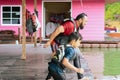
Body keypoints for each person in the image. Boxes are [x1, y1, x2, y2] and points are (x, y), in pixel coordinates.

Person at [44, 13, 88, 80]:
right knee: (57, 60)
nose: (86, 23)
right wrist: (49, 41)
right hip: (56, 43)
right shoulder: (70, 25)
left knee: (76, 55)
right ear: (80, 20)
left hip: (63, 44)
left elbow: (74, 40)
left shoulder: (76, 27)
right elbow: (58, 29)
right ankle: (49, 77)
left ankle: (80, 77)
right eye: (85, 21)